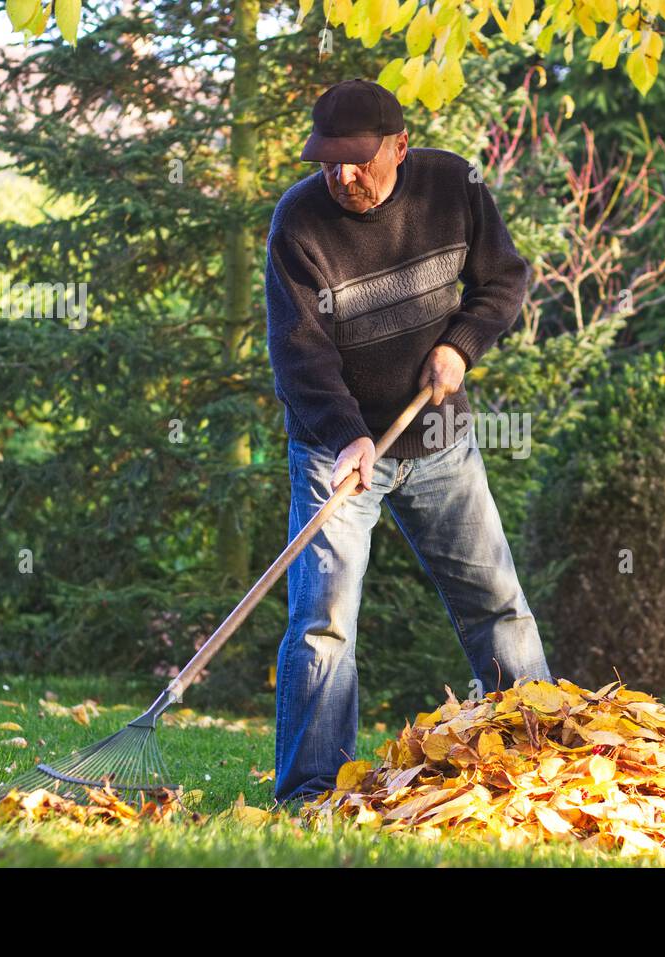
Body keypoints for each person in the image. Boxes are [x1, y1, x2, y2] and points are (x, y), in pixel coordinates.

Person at [264, 78, 553, 806]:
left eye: (358, 159)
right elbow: (300, 353)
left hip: (439, 442)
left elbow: (504, 280)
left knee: (495, 601)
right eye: (328, 161)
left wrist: (461, 344)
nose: (342, 176)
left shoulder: (453, 185)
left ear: (399, 145)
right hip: (338, 452)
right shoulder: (299, 223)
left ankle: (543, 756)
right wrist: (348, 436)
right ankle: (310, 792)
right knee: (322, 623)